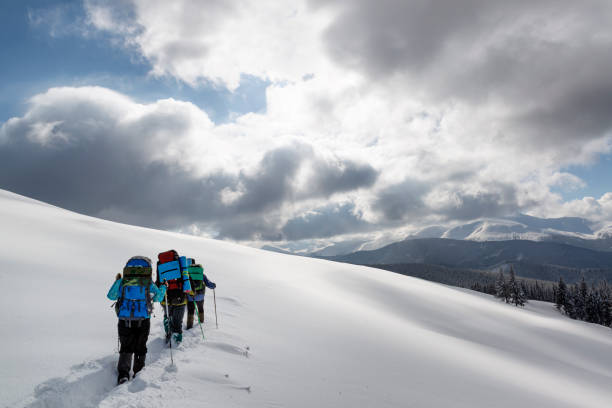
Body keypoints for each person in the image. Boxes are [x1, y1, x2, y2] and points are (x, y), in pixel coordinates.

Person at [107, 256, 166, 384]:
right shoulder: (148, 283)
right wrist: (163, 287)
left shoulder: (123, 281)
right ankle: (138, 373)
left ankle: (123, 374)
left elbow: (111, 296)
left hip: (124, 319)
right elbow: (158, 298)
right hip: (143, 319)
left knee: (126, 346)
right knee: (140, 346)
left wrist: (117, 281)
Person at [156, 251, 192, 345]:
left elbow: (158, 282)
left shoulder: (160, 265)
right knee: (177, 321)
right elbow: (188, 280)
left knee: (167, 316)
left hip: (166, 298)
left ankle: (168, 334)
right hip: (180, 298)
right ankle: (176, 343)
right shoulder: (181, 264)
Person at [185, 259, 216, 330]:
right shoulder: (202, 274)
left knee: (190, 310)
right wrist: (213, 285)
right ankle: (201, 322)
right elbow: (208, 284)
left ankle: (189, 326)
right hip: (200, 296)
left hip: (190, 295)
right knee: (200, 308)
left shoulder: (187, 273)